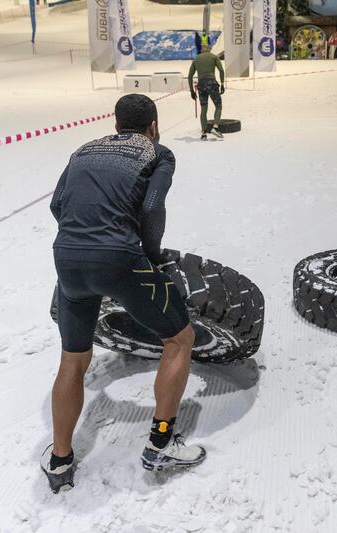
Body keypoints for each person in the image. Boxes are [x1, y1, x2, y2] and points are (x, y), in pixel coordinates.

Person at [42, 94, 205, 494]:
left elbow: (56, 204)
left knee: (74, 359)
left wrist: (83, 238)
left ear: (115, 124)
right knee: (180, 339)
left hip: (67, 258)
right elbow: (152, 208)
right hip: (119, 257)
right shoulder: (158, 152)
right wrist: (145, 256)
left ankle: (60, 460)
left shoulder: (83, 149)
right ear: (153, 125)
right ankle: (161, 444)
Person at [188, 43, 225, 140]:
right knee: (218, 106)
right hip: (212, 84)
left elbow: (190, 76)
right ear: (209, 49)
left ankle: (204, 133)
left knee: (203, 109)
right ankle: (215, 128)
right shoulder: (214, 57)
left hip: (201, 85)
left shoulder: (196, 59)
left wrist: (192, 90)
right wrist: (222, 83)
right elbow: (221, 70)